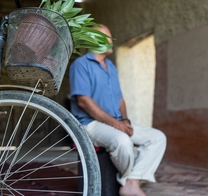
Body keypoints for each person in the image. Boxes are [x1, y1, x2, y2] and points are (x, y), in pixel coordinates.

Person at [69, 24, 167, 196]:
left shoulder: (111, 67)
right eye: (107, 37)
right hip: (90, 125)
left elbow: (120, 98)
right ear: (94, 40)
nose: (111, 41)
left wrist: (125, 120)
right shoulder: (80, 65)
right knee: (122, 141)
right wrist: (117, 125)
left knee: (157, 138)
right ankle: (131, 183)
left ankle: (131, 183)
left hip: (115, 122)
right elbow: (83, 101)